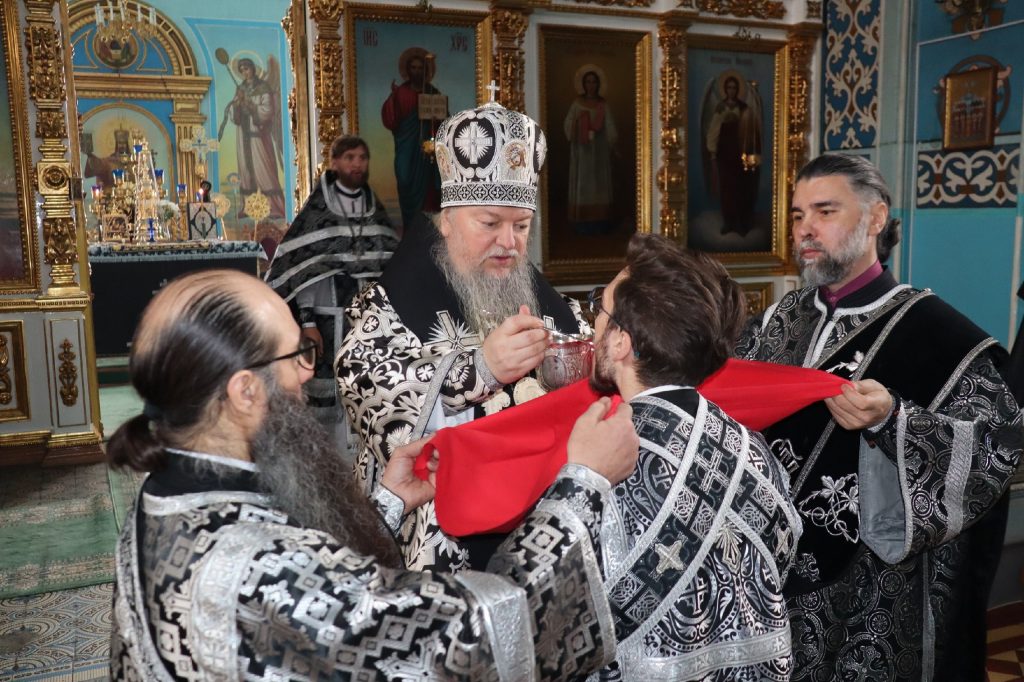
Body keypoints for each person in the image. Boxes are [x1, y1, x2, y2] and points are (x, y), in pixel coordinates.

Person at [108, 268, 640, 680]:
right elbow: (462, 641)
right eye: (296, 356)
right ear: (244, 392)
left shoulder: (160, 499)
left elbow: (330, 613)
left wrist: (388, 504)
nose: (306, 372)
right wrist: (581, 485)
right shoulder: (257, 565)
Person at [735, 153, 1023, 681]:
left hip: (868, 596)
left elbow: (994, 450)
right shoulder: (776, 321)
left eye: (825, 211)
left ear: (874, 218)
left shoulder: (941, 334)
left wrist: (894, 420)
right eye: (798, 215)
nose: (805, 229)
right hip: (767, 571)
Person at [338, 100, 591, 572]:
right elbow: (366, 385)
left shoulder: (545, 299)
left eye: (521, 226)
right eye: (490, 223)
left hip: (536, 529)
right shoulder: (390, 302)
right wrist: (480, 370)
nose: (509, 242)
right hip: (435, 531)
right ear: (448, 219)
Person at [586, 232, 800, 679]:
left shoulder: (608, 461)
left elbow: (567, 620)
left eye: (599, 311)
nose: (593, 328)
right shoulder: (755, 448)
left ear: (621, 342)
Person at [265, 136, 397, 446]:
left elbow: (389, 265)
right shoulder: (317, 211)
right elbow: (303, 274)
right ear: (335, 162)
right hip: (327, 320)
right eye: (350, 157)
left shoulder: (373, 207)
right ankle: (328, 454)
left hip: (368, 321)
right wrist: (308, 323)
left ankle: (365, 452)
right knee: (326, 397)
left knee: (367, 386)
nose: (357, 164)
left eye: (362, 157)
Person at [381, 48, 444, 229]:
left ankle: (430, 230)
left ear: (426, 71)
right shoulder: (401, 93)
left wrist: (437, 119)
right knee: (405, 179)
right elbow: (391, 120)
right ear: (407, 70)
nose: (417, 71)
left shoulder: (432, 93)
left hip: (427, 152)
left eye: (420, 68)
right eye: (413, 68)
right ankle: (410, 230)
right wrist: (393, 99)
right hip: (407, 147)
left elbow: (443, 121)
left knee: (429, 189)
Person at [228, 56, 285, 219]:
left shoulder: (263, 87)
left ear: (253, 69)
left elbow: (268, 110)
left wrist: (251, 106)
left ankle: (274, 207)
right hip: (243, 136)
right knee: (246, 171)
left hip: (258, 135)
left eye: (246, 69)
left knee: (263, 168)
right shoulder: (241, 88)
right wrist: (237, 105)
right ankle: (248, 207)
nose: (244, 73)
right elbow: (233, 114)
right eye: (241, 70)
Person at [705, 73, 761, 235]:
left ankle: (741, 223)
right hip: (724, 155)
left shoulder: (744, 108)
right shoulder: (720, 108)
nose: (731, 90)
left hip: (740, 155)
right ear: (725, 89)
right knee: (727, 189)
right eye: (729, 87)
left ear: (737, 90)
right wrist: (712, 152)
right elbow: (714, 131)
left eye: (734, 88)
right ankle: (729, 222)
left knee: (741, 189)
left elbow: (750, 131)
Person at [563, 66, 617, 234]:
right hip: (582, 154)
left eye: (594, 82)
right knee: (583, 186)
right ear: (583, 84)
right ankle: (582, 224)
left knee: (599, 187)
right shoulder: (577, 104)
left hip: (599, 154)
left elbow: (610, 127)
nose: (591, 85)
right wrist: (579, 123)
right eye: (588, 82)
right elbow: (568, 124)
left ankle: (601, 222)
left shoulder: (602, 105)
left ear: (598, 84)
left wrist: (612, 141)